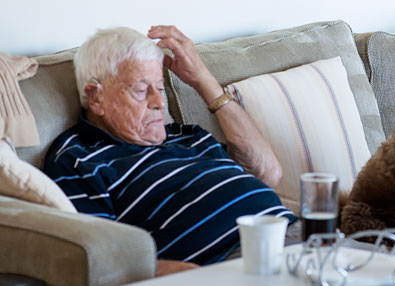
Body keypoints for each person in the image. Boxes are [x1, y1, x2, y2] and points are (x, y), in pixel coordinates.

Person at [43, 26, 297, 270]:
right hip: (235, 263)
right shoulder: (78, 159)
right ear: (96, 97)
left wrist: (202, 79)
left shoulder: (187, 135)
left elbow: (268, 172)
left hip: (294, 233)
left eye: (161, 89)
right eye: (142, 90)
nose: (159, 103)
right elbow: (104, 260)